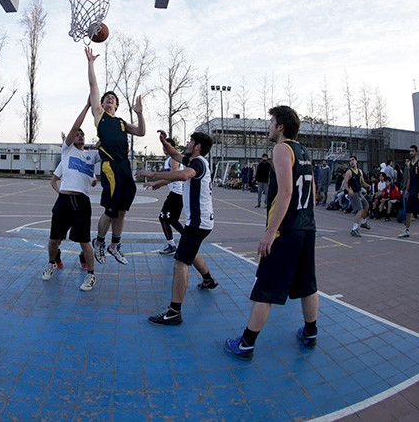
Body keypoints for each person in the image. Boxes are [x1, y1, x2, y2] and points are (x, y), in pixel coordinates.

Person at [225, 105, 317, 360]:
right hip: (307, 227)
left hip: (286, 231)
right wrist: (306, 221)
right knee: (308, 284)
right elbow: (314, 195)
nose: (268, 127)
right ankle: (310, 332)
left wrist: (270, 232)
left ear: (280, 126)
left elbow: (286, 192)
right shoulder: (304, 151)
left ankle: (246, 344)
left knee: (265, 286)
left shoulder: (281, 149)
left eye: (271, 122)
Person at [136, 130, 218, 325]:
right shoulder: (195, 160)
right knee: (189, 251)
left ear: (197, 146)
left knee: (180, 263)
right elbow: (174, 154)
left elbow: (183, 176)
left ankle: (174, 312)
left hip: (198, 222)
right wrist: (164, 142)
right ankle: (208, 280)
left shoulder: (197, 163)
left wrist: (153, 174)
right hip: (202, 222)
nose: (187, 144)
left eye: (190, 141)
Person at [85, 46, 145, 265]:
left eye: (113, 98)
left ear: (117, 105)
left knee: (122, 210)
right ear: (101, 104)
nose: (109, 99)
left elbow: (140, 132)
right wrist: (91, 63)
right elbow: (93, 85)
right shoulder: (100, 116)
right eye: (106, 97)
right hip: (110, 167)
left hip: (124, 167)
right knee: (111, 210)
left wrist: (139, 113)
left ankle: (114, 244)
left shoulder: (121, 122)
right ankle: (99, 241)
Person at [42, 101, 100, 291]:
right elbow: (75, 126)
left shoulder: (92, 155)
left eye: (82, 134)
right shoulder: (67, 150)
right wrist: (87, 106)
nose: (79, 134)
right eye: (77, 133)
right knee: (54, 239)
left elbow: (108, 146)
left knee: (84, 241)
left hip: (82, 202)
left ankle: (91, 275)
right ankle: (52, 262)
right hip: (64, 200)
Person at [143, 139, 185, 256]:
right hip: (177, 194)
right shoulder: (170, 159)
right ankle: (187, 239)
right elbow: (172, 178)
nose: (164, 148)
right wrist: (160, 184)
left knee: (163, 218)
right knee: (173, 221)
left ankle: (172, 245)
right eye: (163, 145)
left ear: (172, 147)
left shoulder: (173, 159)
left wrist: (157, 183)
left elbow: (174, 176)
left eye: (167, 145)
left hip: (177, 194)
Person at [399, 145, 419, 240]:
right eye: (410, 151)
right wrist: (406, 190)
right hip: (411, 191)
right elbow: (409, 179)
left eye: (413, 151)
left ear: (416, 152)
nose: (411, 152)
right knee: (408, 212)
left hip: (418, 192)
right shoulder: (409, 164)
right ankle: (406, 230)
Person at [343, 156, 371, 237]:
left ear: (356, 161)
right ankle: (354, 229)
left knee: (366, 206)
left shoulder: (360, 171)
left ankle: (364, 222)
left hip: (359, 192)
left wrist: (368, 185)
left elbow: (362, 182)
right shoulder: (349, 172)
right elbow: (345, 184)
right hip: (353, 193)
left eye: (352, 160)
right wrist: (349, 190)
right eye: (350, 161)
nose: (351, 162)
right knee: (360, 210)